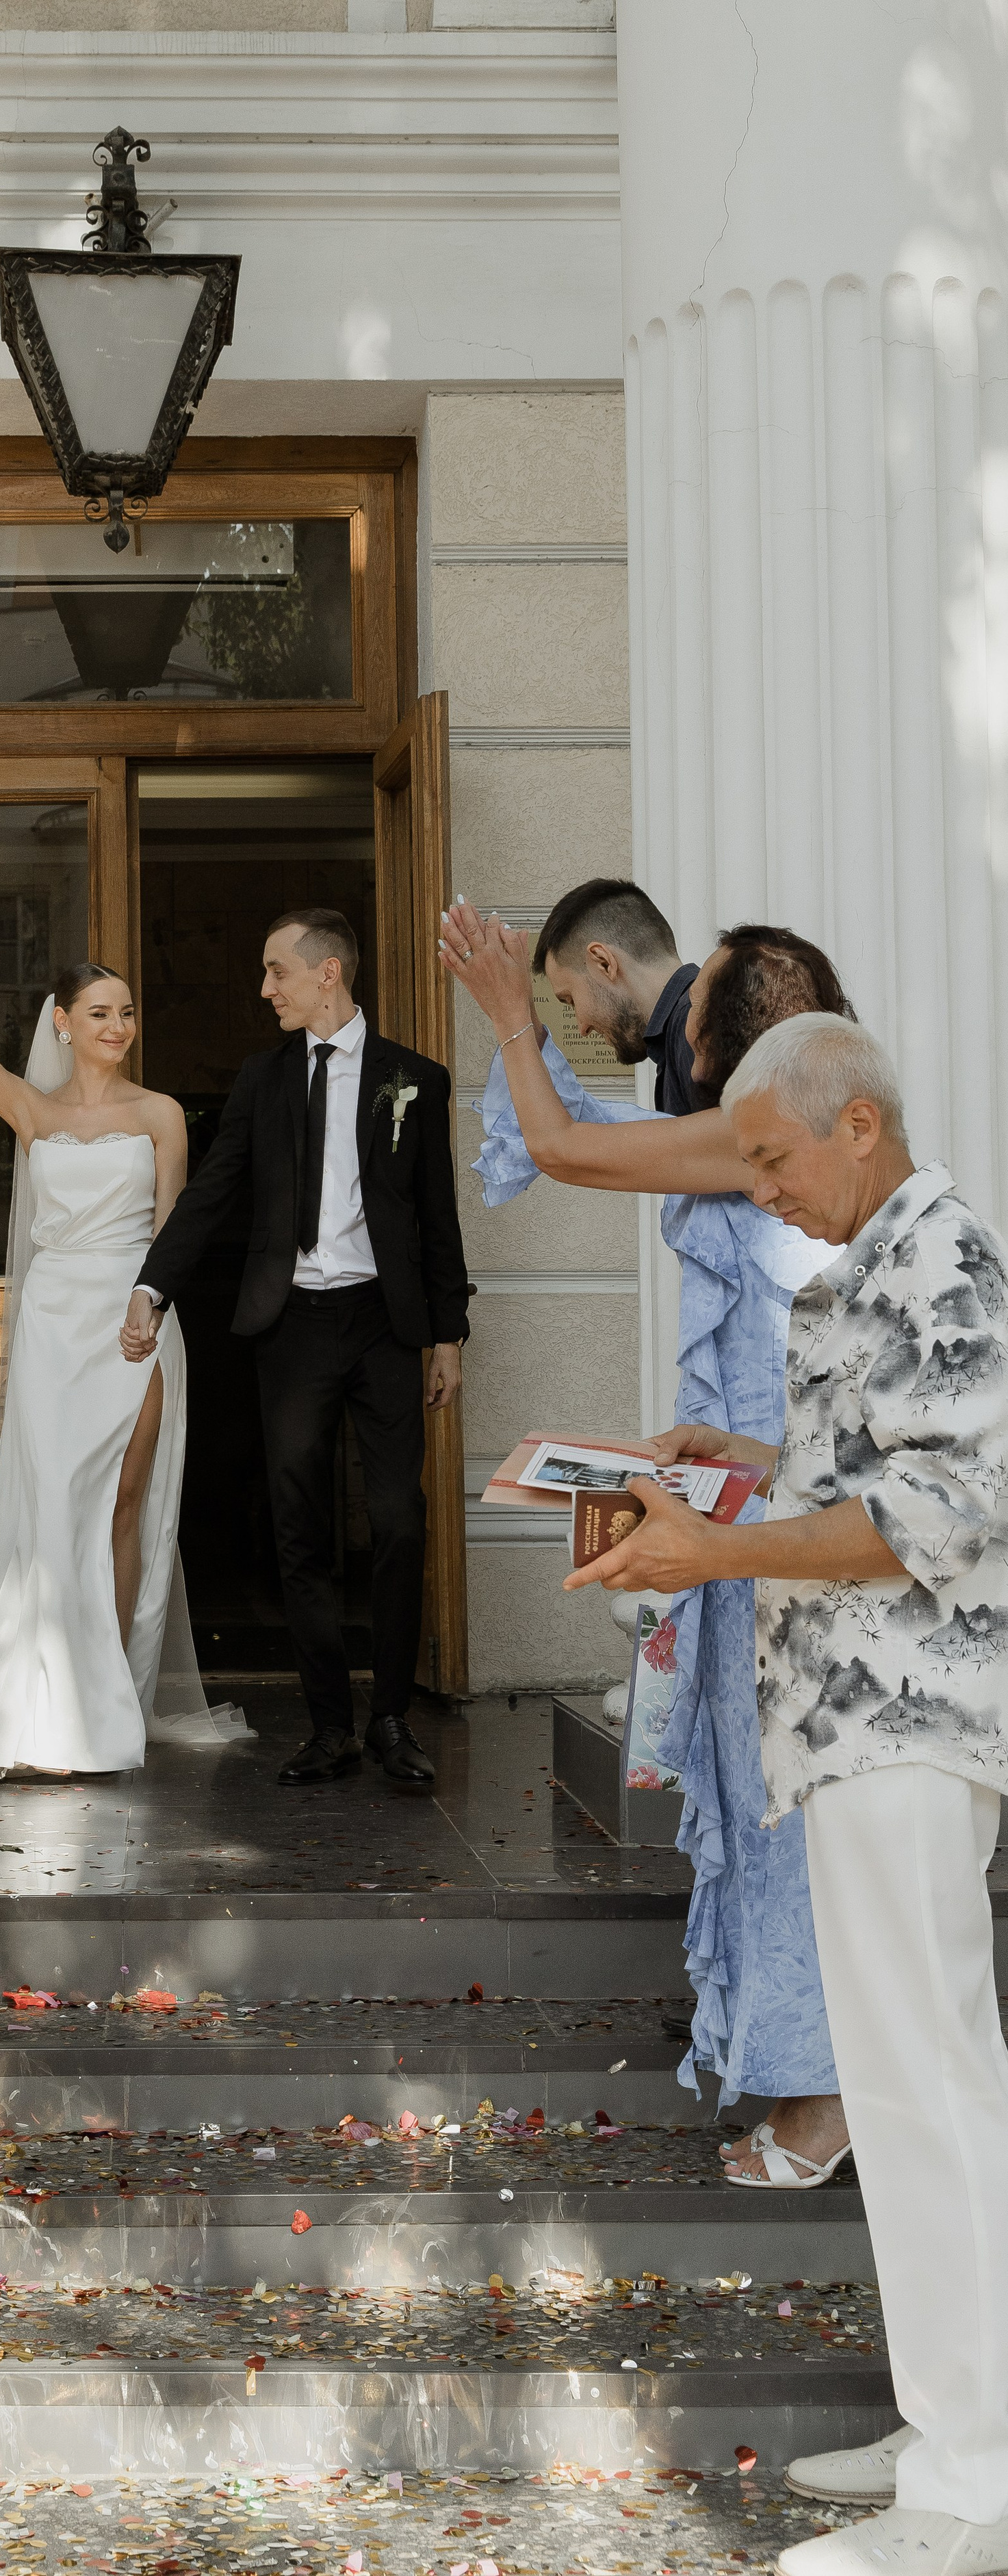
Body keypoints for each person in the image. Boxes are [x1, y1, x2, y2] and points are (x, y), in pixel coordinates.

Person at [567, 1013, 1008, 2573]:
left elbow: (938, 1507)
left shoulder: (938, 1252)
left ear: (861, 1126)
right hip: (851, 1724)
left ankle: (973, 2487)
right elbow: (862, 1473)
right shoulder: (881, 1254)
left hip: (899, 1718)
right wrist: (735, 1456)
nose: (756, 1188)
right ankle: (949, 2423)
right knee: (904, 2097)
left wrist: (720, 1543)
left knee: (929, 2092)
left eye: (771, 1156)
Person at [443, 899, 854, 2190]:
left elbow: (565, 1147)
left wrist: (510, 1017)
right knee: (748, 1781)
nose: (680, 1042)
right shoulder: (740, 1137)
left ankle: (826, 2096)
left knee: (779, 1793)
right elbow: (590, 1139)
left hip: (788, 1523)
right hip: (749, 1485)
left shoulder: (756, 1145)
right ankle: (792, 2065)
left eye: (576, 998)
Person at [0, 851, 246, 1777]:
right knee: (53, 1512)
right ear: (65, 1024)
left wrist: (149, 1305)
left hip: (135, 1320)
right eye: (101, 1013)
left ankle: (110, 1700)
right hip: (51, 1323)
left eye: (127, 1011)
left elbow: (174, 1230)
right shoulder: (32, 1112)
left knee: (125, 1502)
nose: (119, 1025)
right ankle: (39, 1709)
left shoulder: (164, 1113)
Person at [122, 908, 471, 1791]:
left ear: (328, 973)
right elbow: (211, 1192)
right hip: (292, 1326)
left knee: (396, 1518)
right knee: (299, 1527)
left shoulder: (413, 1081)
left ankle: (390, 1716)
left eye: (277, 970)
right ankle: (329, 1725)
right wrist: (153, 1286)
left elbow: (437, 1218)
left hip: (385, 1325)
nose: (264, 987)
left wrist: (446, 1333)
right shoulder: (262, 1079)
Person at [533, 876, 702, 1113]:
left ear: (603, 963)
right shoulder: (682, 1028)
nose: (582, 1028)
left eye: (570, 1000)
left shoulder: (698, 1025)